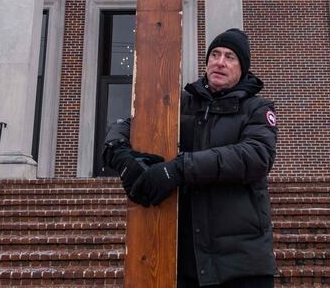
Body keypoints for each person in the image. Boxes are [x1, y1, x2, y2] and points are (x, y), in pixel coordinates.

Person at [103, 28, 278, 288]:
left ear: (243, 68)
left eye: (230, 57)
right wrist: (123, 159)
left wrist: (179, 168)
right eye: (215, 54)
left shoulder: (257, 109)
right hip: (187, 262)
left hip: (242, 265)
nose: (220, 61)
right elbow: (124, 127)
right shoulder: (179, 103)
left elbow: (255, 156)